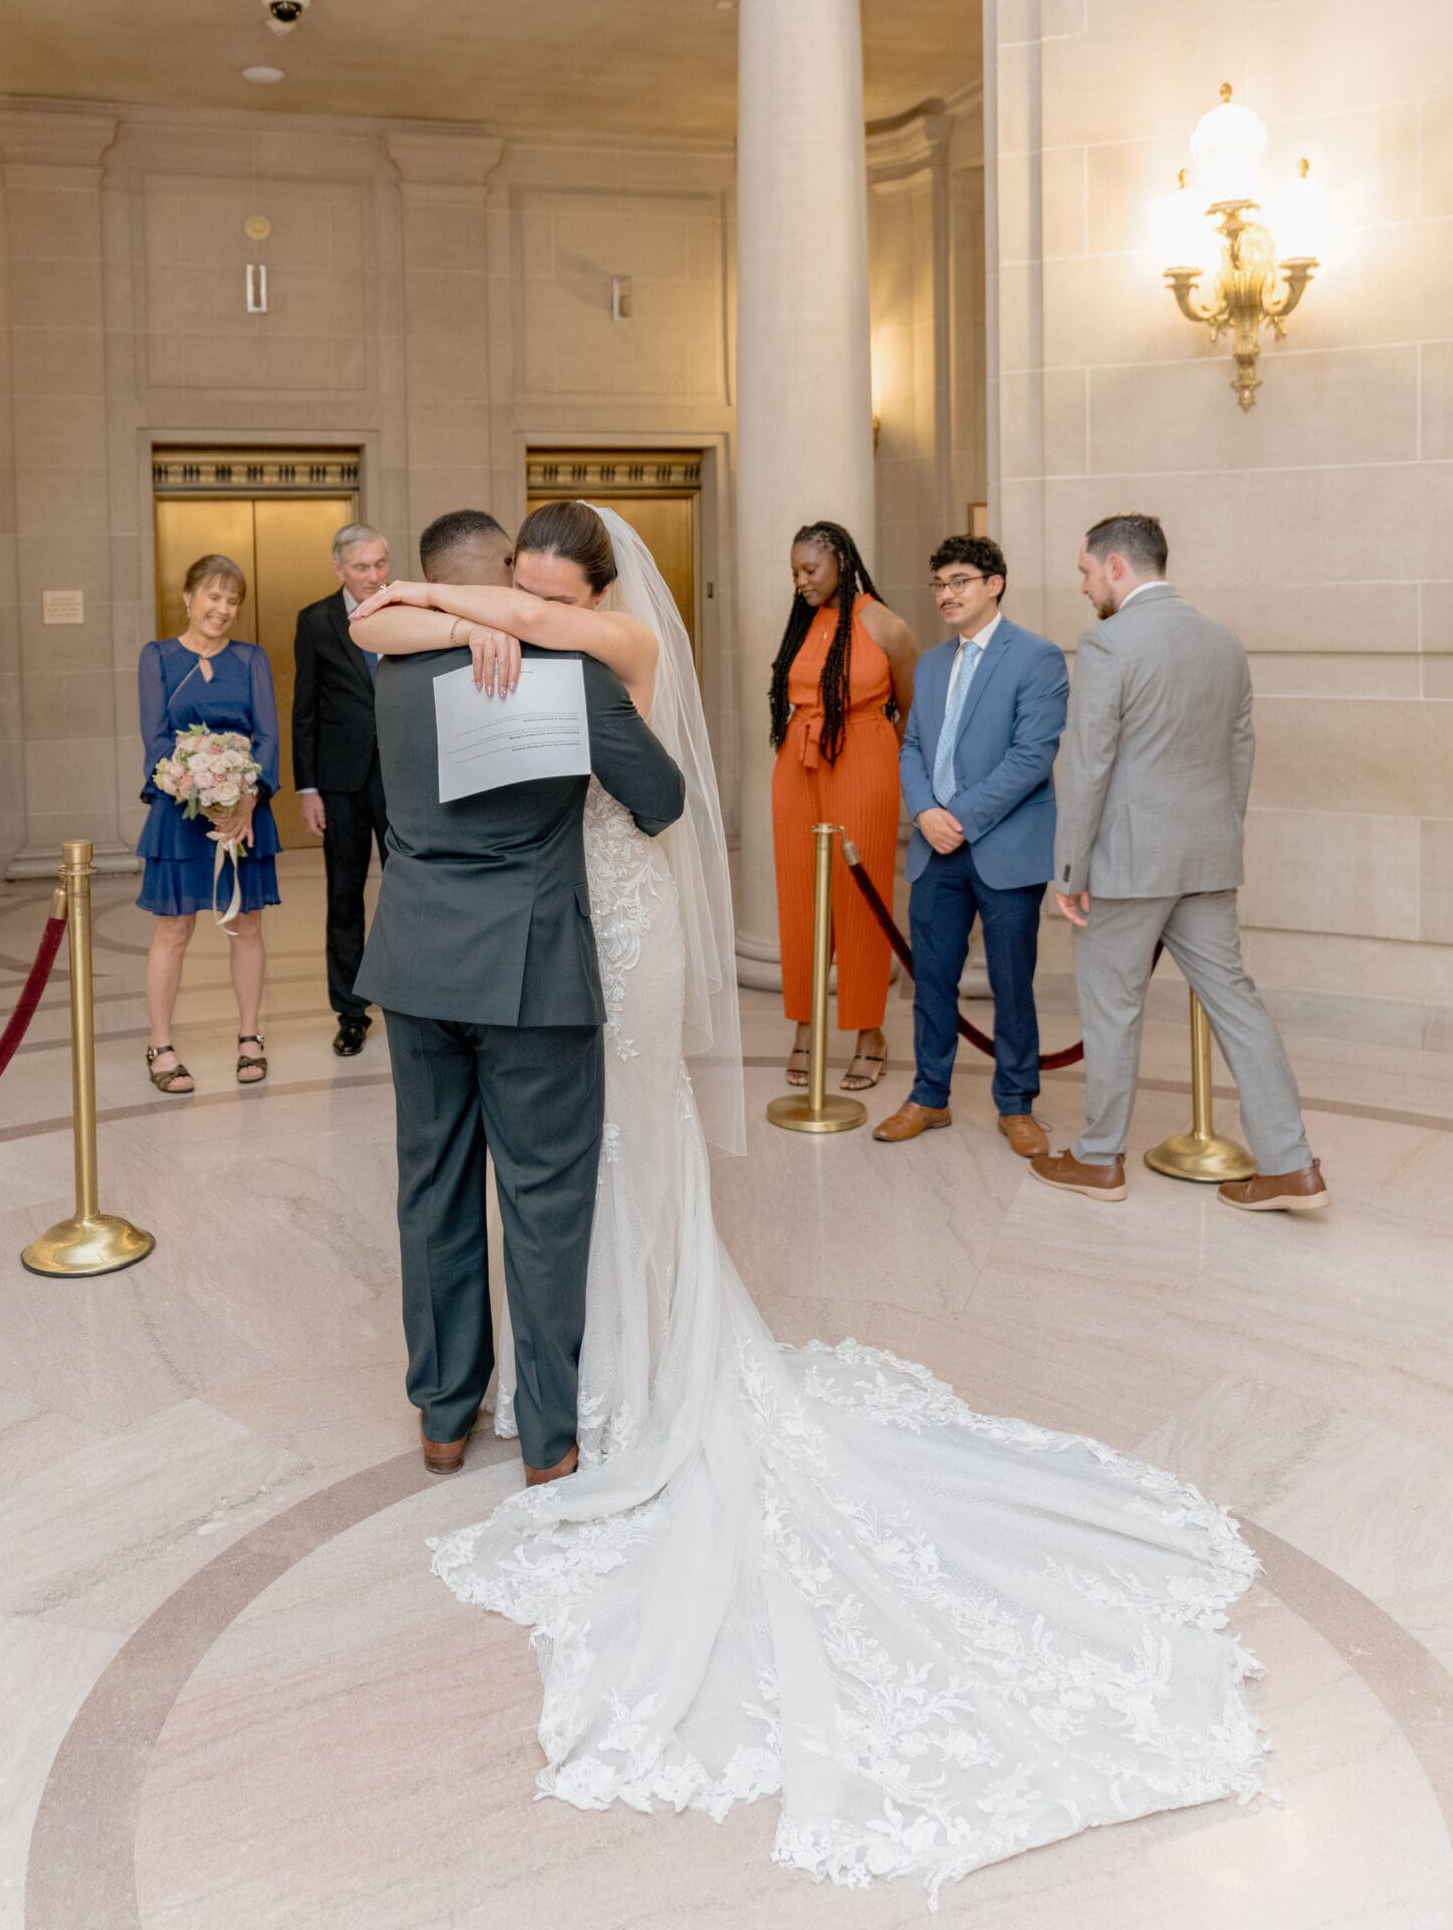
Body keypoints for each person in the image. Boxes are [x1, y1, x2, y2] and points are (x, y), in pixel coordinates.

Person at [356, 504, 1265, 1903]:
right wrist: (482, 614)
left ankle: (496, 1402)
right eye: (516, 594)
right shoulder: (531, 660)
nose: (524, 613)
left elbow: (427, 637)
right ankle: (548, 1420)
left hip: (518, 947)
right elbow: (584, 745)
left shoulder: (494, 651)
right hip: (540, 944)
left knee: (532, 1174)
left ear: (589, 591)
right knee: (550, 1184)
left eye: (546, 594)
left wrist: (456, 604)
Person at [352, 499, 687, 1484]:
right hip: (529, 970)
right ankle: (548, 1436)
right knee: (543, 1204)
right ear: (502, 577)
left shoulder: (392, 667)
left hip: (414, 961)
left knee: (432, 1189)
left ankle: (445, 1417)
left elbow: (367, 615)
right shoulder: (569, 676)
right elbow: (660, 800)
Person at [1033, 512, 1330, 1213]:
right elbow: (1239, 752)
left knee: (1111, 1009)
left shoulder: (1107, 643)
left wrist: (1068, 871)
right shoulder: (1221, 641)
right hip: (1206, 856)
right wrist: (1219, 835)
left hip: (1128, 862)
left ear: (1114, 566)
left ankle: (1097, 1158)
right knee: (1238, 1004)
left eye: (1083, 570)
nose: (1081, 585)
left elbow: (1086, 765)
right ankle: (1290, 1165)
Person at [880, 533, 1068, 1157]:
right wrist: (925, 812)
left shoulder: (1037, 658)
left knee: (1013, 982)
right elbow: (911, 747)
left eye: (959, 580)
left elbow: (1032, 757)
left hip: (1005, 846)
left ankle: (1016, 1104)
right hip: (936, 849)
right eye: (938, 583)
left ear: (995, 584)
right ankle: (929, 1096)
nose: (945, 594)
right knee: (930, 980)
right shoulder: (932, 664)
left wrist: (954, 816)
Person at [769, 520, 917, 1089]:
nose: (802, 582)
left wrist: (881, 764)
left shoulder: (885, 624)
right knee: (800, 895)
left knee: (862, 897)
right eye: (795, 573)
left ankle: (867, 1031)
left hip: (862, 759)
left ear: (841, 561)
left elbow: (913, 710)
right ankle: (805, 1027)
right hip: (798, 766)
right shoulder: (804, 623)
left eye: (811, 570)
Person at [136, 553, 280, 1093]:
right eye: (213, 597)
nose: (222, 609)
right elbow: (154, 739)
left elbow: (268, 734)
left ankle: (249, 1037)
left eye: (232, 600)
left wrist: (246, 797)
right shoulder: (158, 658)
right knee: (174, 928)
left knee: (247, 923)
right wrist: (193, 784)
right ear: (188, 597)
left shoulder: (251, 659)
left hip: (244, 809)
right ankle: (161, 1044)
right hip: (180, 811)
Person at [292, 522, 391, 1059]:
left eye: (380, 563)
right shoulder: (316, 621)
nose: (374, 576)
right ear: (338, 569)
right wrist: (309, 788)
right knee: (344, 893)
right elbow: (303, 710)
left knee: (408, 889)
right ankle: (350, 1011)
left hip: (399, 776)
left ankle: (411, 995)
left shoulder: (406, 610)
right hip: (341, 783)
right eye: (362, 567)